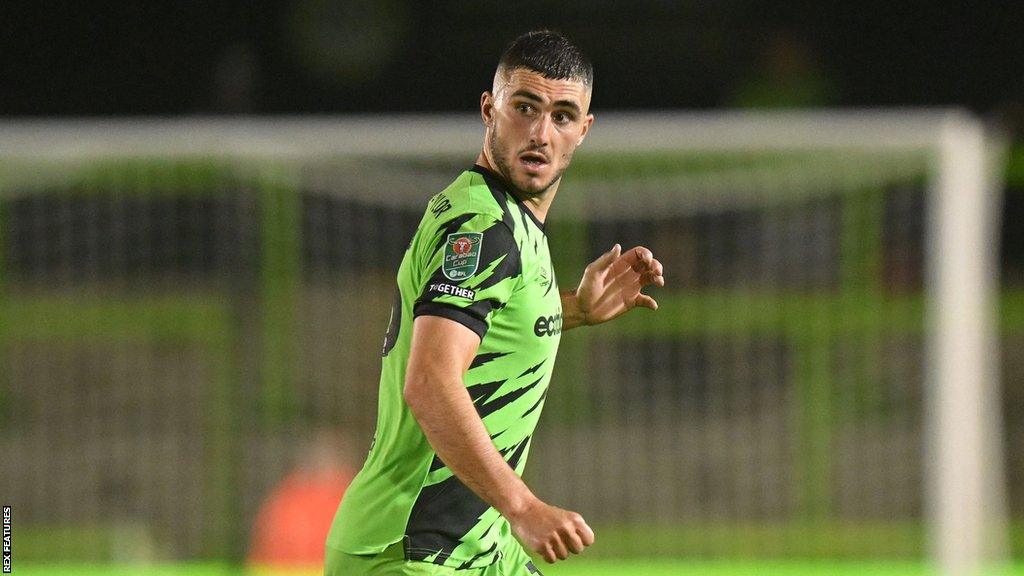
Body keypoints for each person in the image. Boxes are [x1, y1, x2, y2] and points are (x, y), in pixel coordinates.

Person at [325, 29, 665, 576]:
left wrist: (573, 308)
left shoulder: (501, 215)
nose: (540, 133)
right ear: (489, 109)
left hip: (476, 544)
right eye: (524, 108)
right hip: (416, 547)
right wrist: (524, 507)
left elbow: (487, 327)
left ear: (584, 129)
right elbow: (431, 379)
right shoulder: (484, 228)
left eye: (562, 115)